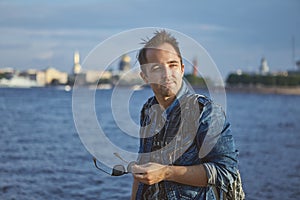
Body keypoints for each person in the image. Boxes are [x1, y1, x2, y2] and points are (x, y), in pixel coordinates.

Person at [131, 30, 244, 200]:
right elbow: (142, 168)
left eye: (172, 65)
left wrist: (166, 172)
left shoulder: (206, 112)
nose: (167, 74)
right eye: (156, 68)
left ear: (182, 69)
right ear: (145, 76)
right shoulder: (148, 110)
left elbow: (226, 172)